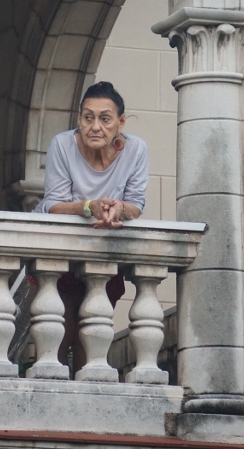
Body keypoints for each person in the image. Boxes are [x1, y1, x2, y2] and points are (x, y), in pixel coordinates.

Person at [33, 81, 149, 372]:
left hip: (102, 249)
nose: (95, 126)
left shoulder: (136, 150)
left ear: (120, 122)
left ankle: (88, 394)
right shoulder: (62, 144)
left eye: (105, 118)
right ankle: (52, 395)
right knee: (62, 327)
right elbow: (53, 204)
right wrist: (90, 207)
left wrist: (120, 208)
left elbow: (135, 204)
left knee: (93, 330)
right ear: (79, 119)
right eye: (88, 117)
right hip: (60, 249)